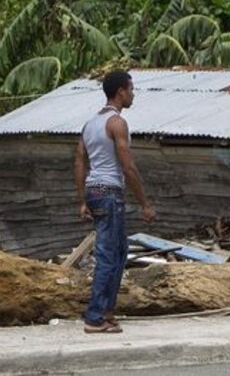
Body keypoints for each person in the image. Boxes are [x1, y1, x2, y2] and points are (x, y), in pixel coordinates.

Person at [74, 70, 156, 334]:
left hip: (94, 191)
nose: (133, 94)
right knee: (109, 256)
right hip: (109, 192)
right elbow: (128, 167)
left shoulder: (90, 124)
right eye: (131, 89)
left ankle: (107, 312)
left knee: (119, 252)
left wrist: (83, 200)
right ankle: (95, 317)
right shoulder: (117, 123)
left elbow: (79, 160)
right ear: (121, 91)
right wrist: (145, 203)